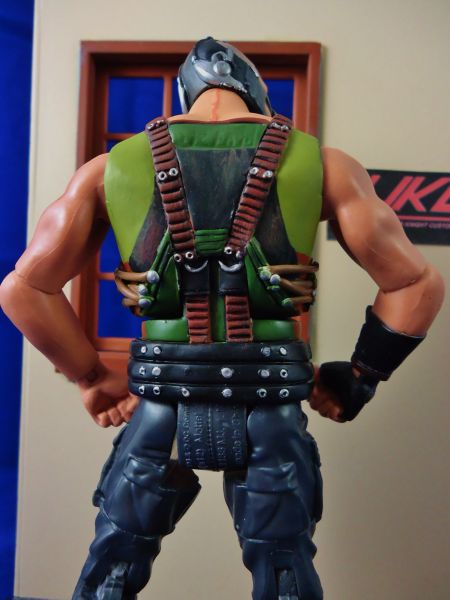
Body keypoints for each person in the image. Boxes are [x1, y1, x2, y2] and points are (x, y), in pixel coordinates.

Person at [0, 37, 444, 600]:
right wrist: (359, 377)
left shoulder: (110, 169)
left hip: (160, 404)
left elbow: (24, 289)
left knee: (112, 569)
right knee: (285, 574)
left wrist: (90, 375)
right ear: (256, 94)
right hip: (270, 402)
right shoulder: (325, 165)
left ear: (186, 95)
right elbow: (416, 283)